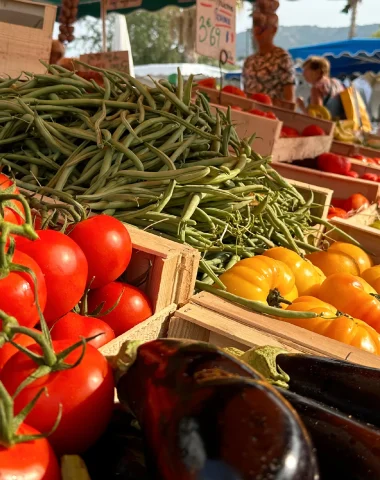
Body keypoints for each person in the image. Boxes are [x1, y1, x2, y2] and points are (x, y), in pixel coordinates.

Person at [243, 22, 296, 102]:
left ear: (274, 29)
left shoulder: (281, 58)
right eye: (255, 25)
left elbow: (289, 96)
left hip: (272, 112)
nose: (258, 29)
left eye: (263, 27)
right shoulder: (249, 61)